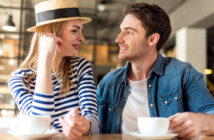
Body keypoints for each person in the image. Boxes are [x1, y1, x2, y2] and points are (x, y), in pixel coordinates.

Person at [96, 3, 214, 138]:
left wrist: (201, 121)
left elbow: (211, 114)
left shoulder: (183, 74)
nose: (118, 39)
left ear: (152, 39)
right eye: (121, 31)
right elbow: (91, 123)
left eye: (128, 32)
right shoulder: (109, 82)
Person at [8, 0, 99, 139]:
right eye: (75, 30)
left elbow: (93, 120)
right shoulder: (18, 79)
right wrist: (45, 60)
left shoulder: (81, 67)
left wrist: (83, 125)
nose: (82, 38)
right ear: (52, 33)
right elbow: (39, 126)